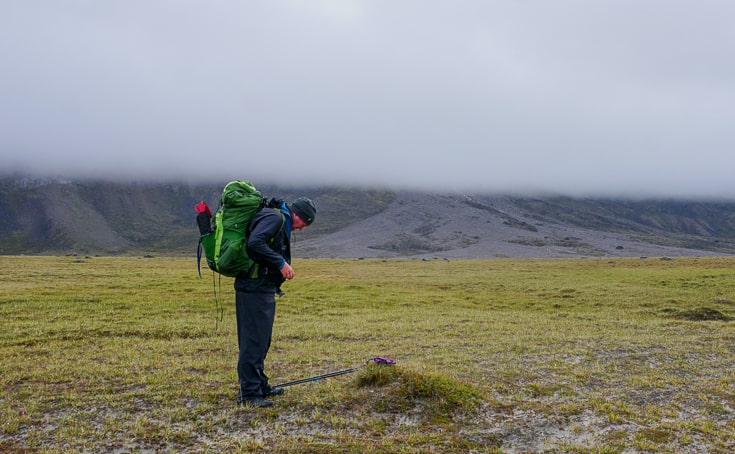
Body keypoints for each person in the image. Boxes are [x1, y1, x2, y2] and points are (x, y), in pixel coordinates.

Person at [234, 196, 317, 407]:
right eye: (304, 224)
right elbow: (255, 243)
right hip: (253, 288)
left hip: (261, 287)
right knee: (253, 341)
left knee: (262, 339)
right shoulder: (276, 218)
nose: (301, 229)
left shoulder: (277, 218)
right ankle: (250, 394)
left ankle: (260, 385)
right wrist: (280, 263)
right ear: (298, 215)